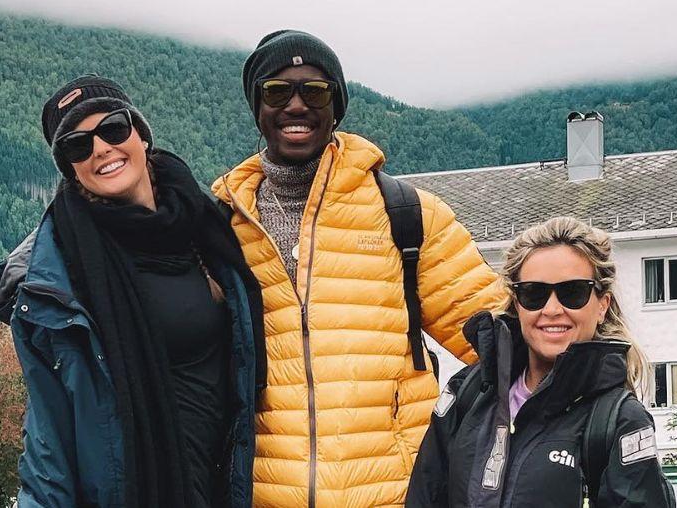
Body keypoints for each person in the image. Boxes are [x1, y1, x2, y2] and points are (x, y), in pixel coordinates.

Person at [211, 30, 507, 507]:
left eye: (314, 90)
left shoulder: (408, 215)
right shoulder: (221, 226)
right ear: (257, 106)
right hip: (264, 496)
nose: (295, 105)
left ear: (337, 104)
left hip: (393, 493)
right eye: (276, 91)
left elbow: (500, 346)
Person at [0, 75, 266, 508]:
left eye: (113, 128)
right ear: (70, 169)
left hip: (232, 485)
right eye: (77, 145)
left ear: (141, 135)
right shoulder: (58, 281)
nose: (100, 149)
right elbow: (49, 438)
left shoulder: (209, 228)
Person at [406, 217, 677, 507]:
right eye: (533, 293)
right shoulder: (468, 393)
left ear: (602, 305)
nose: (551, 309)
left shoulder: (618, 421)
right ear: (517, 303)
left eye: (573, 292)